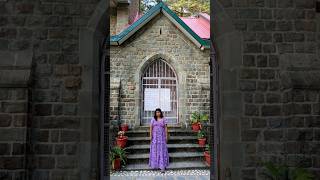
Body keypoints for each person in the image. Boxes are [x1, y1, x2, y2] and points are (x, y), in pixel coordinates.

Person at [149, 108, 169, 173]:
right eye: (156, 112)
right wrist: (150, 136)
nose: (158, 113)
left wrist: (166, 136)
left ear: (160, 113)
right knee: (155, 150)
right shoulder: (153, 119)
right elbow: (151, 128)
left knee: (161, 150)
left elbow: (166, 128)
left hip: (162, 137)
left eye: (159, 112)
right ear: (155, 113)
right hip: (155, 137)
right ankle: (155, 164)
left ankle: (162, 166)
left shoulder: (164, 119)